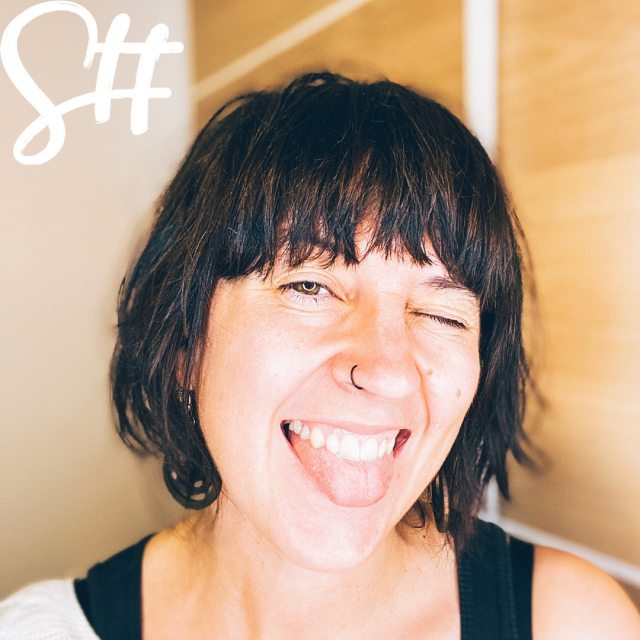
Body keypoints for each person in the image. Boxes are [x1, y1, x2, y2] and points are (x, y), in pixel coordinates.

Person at [1, 72, 638, 640]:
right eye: (310, 286)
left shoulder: (572, 625)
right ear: (184, 343)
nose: (387, 369)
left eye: (442, 314)